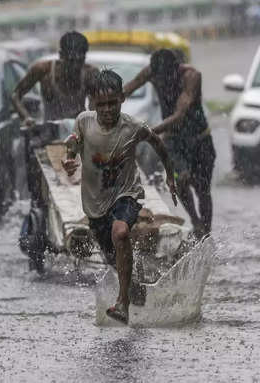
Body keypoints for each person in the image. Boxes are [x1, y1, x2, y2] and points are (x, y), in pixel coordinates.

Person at [62, 70, 177, 324]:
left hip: (127, 194)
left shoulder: (133, 127)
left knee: (121, 232)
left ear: (122, 99)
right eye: (100, 104)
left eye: (112, 103)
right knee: (114, 258)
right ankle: (133, 289)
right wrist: (69, 159)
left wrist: (170, 175)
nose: (106, 110)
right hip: (95, 204)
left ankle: (122, 303)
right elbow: (72, 141)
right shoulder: (84, 121)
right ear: (92, 102)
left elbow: (158, 144)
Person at [123, 49, 216, 239]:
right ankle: (195, 222)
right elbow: (127, 89)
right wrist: (105, 104)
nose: (163, 82)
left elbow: (179, 115)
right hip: (174, 141)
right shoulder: (151, 72)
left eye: (166, 78)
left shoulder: (191, 77)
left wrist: (149, 133)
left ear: (176, 69)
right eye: (160, 79)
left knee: (202, 190)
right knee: (179, 181)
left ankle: (206, 232)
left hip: (199, 140)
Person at [12, 31, 99, 126]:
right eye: (71, 61)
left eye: (80, 61)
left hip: (80, 132)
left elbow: (95, 105)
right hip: (50, 134)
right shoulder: (43, 70)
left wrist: (93, 119)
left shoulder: (90, 73)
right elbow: (16, 95)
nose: (76, 66)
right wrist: (26, 118)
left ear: (84, 57)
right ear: (61, 55)